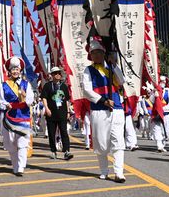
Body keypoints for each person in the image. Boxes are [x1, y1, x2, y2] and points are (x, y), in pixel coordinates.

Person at [81, 38, 127, 183]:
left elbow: (122, 81)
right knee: (101, 143)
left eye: (99, 52)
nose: (97, 55)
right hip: (99, 110)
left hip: (116, 109)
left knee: (118, 141)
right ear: (91, 55)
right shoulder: (88, 70)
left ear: (104, 53)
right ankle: (104, 170)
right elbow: (87, 90)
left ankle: (119, 173)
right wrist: (103, 100)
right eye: (93, 53)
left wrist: (114, 65)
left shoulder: (112, 67)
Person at [0, 56, 34, 177]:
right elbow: (1, 100)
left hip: (23, 117)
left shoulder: (26, 84)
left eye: (17, 69)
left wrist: (24, 96)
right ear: (9, 71)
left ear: (20, 70)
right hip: (9, 118)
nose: (15, 71)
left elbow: (31, 99)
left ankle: (21, 167)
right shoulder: (4, 85)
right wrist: (7, 105)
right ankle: (15, 166)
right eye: (13, 69)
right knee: (11, 144)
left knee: (22, 143)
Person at [42, 66, 74, 160]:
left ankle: (67, 151)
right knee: (51, 133)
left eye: (59, 73)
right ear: (52, 75)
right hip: (51, 113)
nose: (58, 75)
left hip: (62, 112)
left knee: (64, 132)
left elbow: (67, 100)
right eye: (56, 73)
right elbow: (44, 98)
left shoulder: (63, 86)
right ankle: (53, 151)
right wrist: (46, 109)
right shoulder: (47, 86)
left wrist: (68, 111)